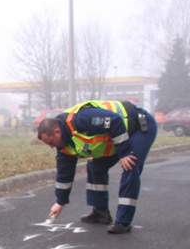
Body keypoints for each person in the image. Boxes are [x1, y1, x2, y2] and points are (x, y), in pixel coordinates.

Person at [37, 99, 157, 234]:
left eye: (51, 142)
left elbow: (114, 121)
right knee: (95, 166)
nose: (52, 146)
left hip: (139, 127)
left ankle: (123, 222)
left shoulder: (81, 119)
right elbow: (64, 174)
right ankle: (101, 213)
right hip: (117, 136)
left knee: (130, 165)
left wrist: (124, 153)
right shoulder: (64, 146)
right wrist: (60, 202)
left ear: (57, 132)